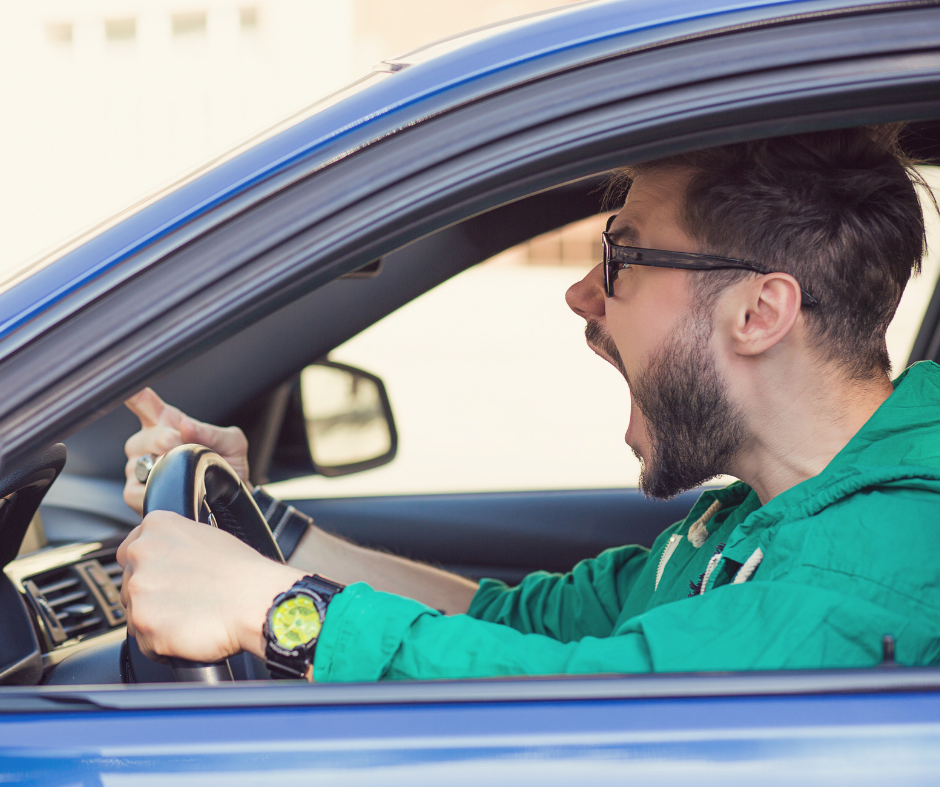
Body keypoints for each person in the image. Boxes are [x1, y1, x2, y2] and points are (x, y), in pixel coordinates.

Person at [117, 126, 940, 681]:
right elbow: (517, 626)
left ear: (758, 314)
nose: (582, 293)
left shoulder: (867, 570)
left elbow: (597, 710)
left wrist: (275, 611)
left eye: (621, 257)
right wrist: (262, 526)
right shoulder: (749, 521)